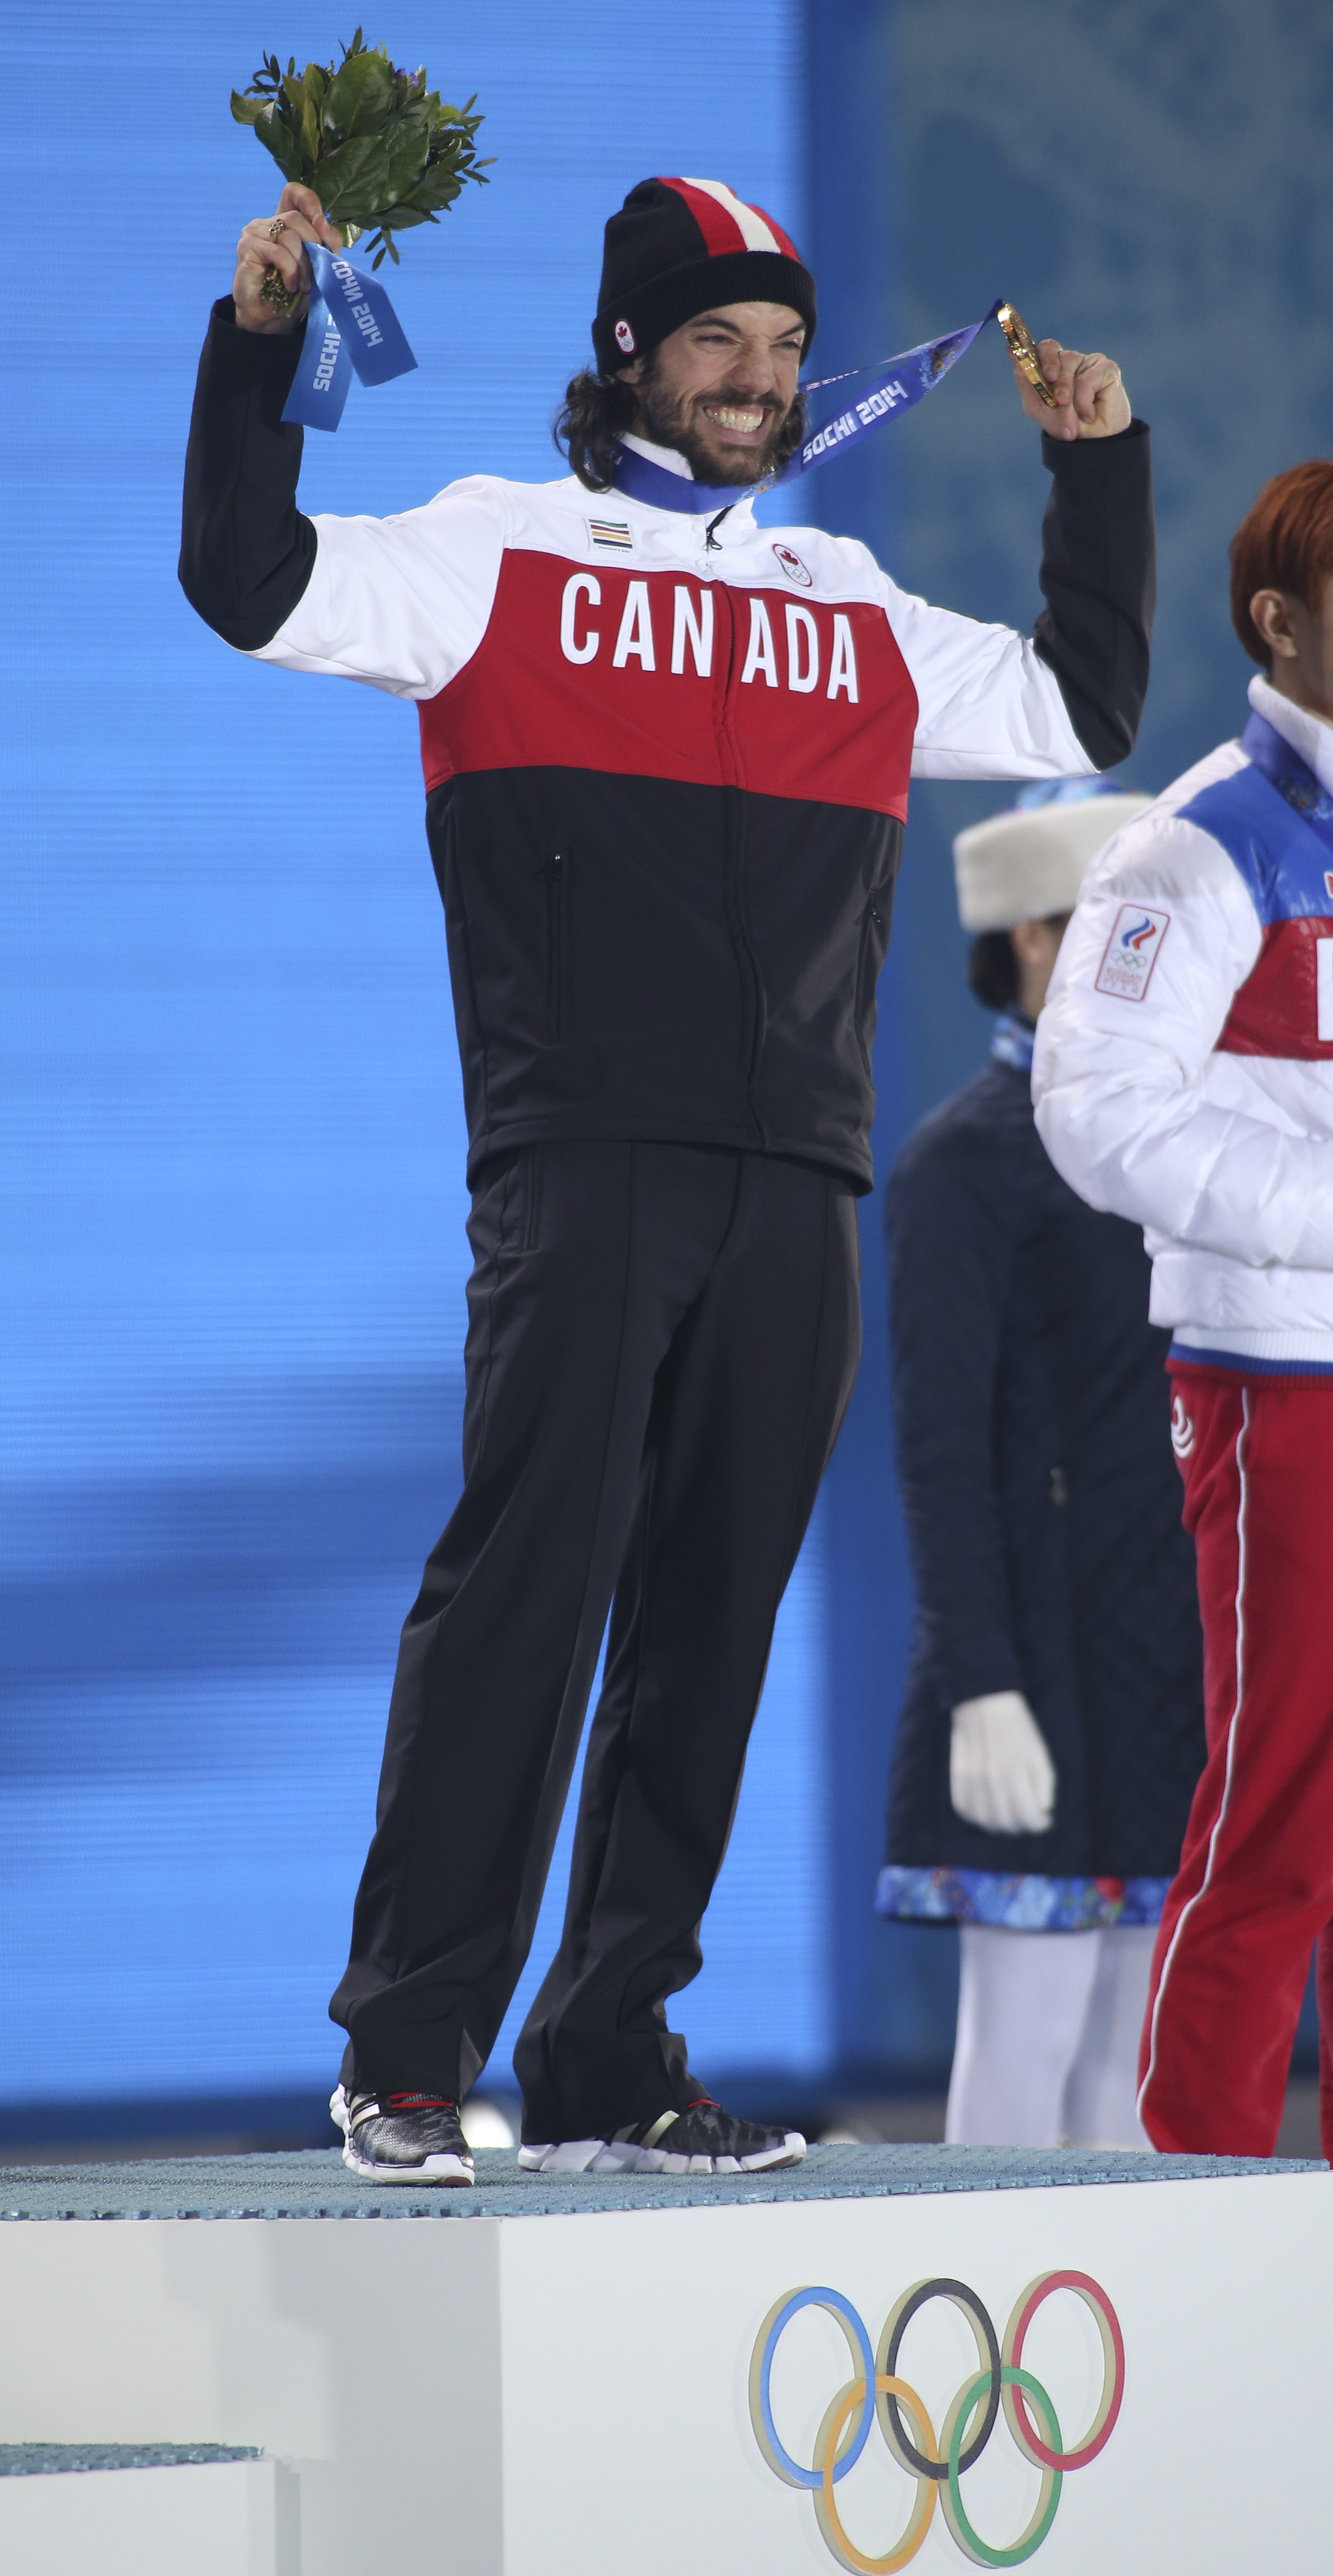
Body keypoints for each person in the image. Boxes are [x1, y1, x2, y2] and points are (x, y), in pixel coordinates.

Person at [180, 171, 1153, 2185]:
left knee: (713, 1625)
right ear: (627, 349)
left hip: (800, 1180)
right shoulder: (493, 555)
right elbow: (248, 575)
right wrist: (264, 334)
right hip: (586, 1157)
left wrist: (1102, 471)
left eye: (787, 348)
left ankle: (614, 2048)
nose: (758, 378)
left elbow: (1083, 704)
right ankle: (413, 2049)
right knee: (527, 1599)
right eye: (717, 339)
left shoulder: (849, 608)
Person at [1034, 459, 1333, 2165]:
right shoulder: (1199, 842)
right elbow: (1098, 1116)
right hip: (1280, 1388)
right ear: (1276, 624)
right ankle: (1202, 2210)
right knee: (1277, 1817)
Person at [878, 785, 1206, 2147]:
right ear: (1027, 942)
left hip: (1170, 1647)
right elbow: (938, 1450)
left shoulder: (1180, 1145)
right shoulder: (965, 1164)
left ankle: (1134, 2359)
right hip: (1036, 1652)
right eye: (1108, 930)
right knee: (1026, 2041)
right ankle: (990, 2352)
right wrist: (982, 1683)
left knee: (1137, 2054)